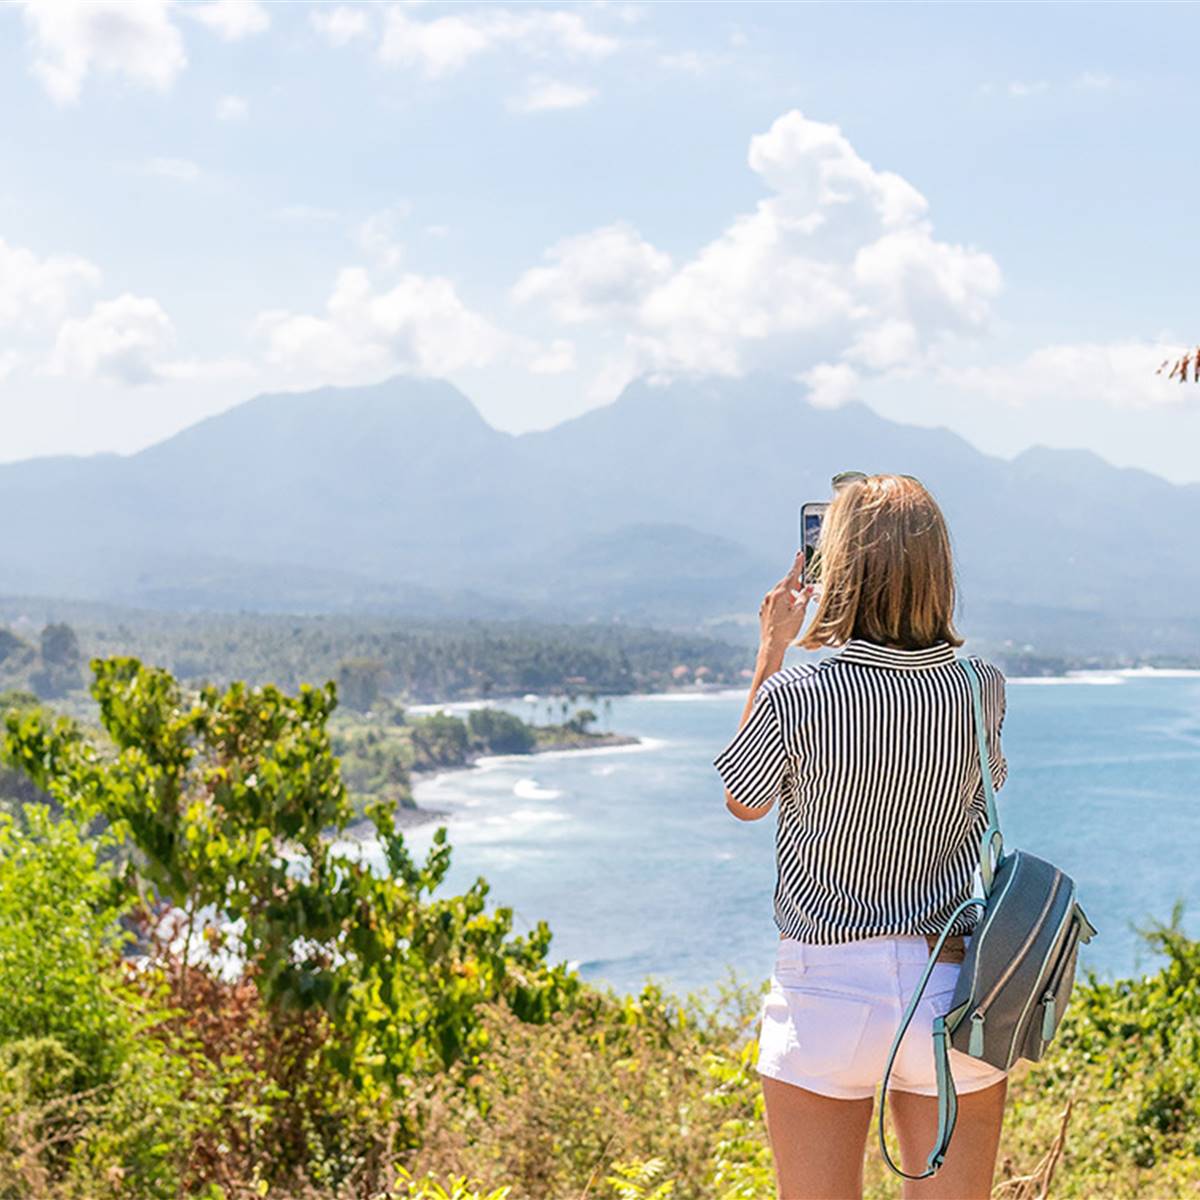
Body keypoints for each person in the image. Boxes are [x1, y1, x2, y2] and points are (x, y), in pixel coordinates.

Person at [712, 474, 1009, 1200]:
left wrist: (772, 649)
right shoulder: (981, 688)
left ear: (838, 569)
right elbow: (983, 793)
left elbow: (744, 801)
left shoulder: (799, 693)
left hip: (825, 989)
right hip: (948, 986)